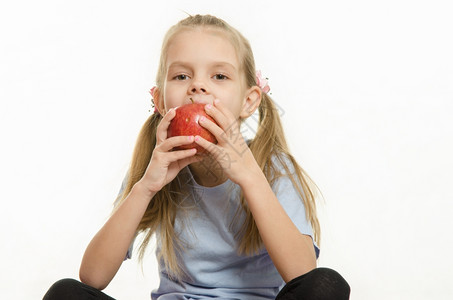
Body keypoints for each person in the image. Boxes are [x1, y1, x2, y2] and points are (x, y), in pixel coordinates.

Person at [43, 14, 350, 300]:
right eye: (180, 76)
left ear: (248, 101)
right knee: (65, 293)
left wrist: (250, 177)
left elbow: (304, 274)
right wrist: (145, 188)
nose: (197, 86)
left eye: (219, 75)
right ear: (160, 101)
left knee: (327, 286)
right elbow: (92, 277)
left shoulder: (273, 169)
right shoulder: (155, 170)